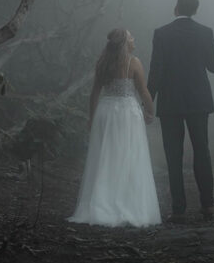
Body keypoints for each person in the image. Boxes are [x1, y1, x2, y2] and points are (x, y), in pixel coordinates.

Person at [69, 28, 161, 227]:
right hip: (127, 114)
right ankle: (129, 203)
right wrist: (151, 112)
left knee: (106, 157)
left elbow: (94, 93)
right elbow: (143, 91)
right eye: (131, 37)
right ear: (124, 43)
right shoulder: (133, 62)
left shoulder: (103, 63)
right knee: (129, 156)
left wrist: (92, 118)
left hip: (106, 112)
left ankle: (102, 202)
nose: (134, 38)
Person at [147, 0, 214, 223]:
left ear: (176, 8)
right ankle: (208, 205)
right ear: (195, 10)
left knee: (173, 155)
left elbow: (156, 71)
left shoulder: (161, 34)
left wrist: (148, 101)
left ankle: (178, 209)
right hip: (199, 101)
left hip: (170, 102)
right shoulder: (205, 32)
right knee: (202, 151)